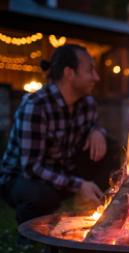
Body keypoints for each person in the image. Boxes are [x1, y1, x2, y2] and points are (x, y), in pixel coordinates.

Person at [0, 44, 121, 233]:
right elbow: (31, 167)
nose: (96, 77)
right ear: (69, 73)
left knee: (114, 148)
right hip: (21, 177)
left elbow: (95, 127)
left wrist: (97, 131)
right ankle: (28, 231)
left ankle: (97, 208)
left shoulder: (86, 103)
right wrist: (79, 184)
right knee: (43, 196)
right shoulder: (36, 107)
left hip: (62, 170)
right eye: (90, 70)